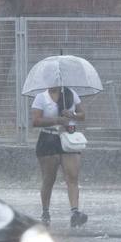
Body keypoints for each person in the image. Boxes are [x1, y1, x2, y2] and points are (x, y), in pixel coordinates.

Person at [30, 85, 88, 227]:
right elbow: (36, 121)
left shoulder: (70, 93)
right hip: (49, 139)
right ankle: (45, 211)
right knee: (49, 178)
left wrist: (72, 115)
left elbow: (83, 115)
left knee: (72, 176)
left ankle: (75, 212)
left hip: (69, 137)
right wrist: (56, 120)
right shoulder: (41, 97)